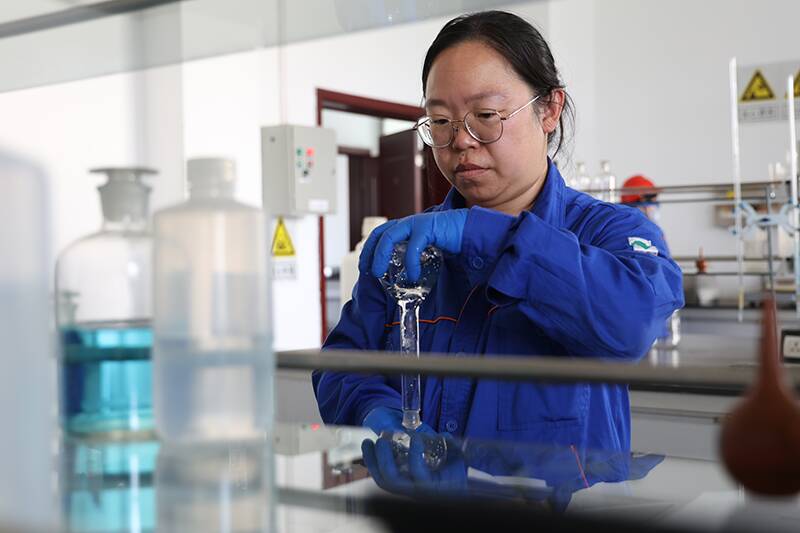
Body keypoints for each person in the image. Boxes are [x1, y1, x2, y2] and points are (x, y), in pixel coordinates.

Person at [312, 10, 683, 493]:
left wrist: (483, 235)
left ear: (549, 110)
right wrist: (374, 410)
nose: (460, 141)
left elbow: (630, 322)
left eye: (485, 116)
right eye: (440, 122)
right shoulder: (410, 249)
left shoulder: (610, 232)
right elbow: (341, 364)